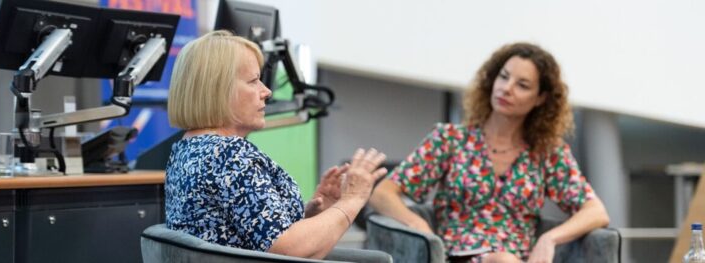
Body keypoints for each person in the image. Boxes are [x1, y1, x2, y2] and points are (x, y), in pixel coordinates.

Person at [368, 42, 610, 263]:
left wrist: (549, 240)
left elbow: (595, 211)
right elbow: (382, 194)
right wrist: (417, 223)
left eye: (522, 85)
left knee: (504, 260)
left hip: (516, 259)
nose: (506, 88)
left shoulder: (547, 153)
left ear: (540, 99)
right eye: (503, 77)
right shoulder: (450, 139)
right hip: (455, 256)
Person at [164, 30, 387, 259]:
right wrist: (353, 199)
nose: (266, 92)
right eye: (253, 81)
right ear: (218, 89)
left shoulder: (187, 149)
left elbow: (240, 234)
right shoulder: (229, 155)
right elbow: (287, 252)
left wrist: (309, 216)